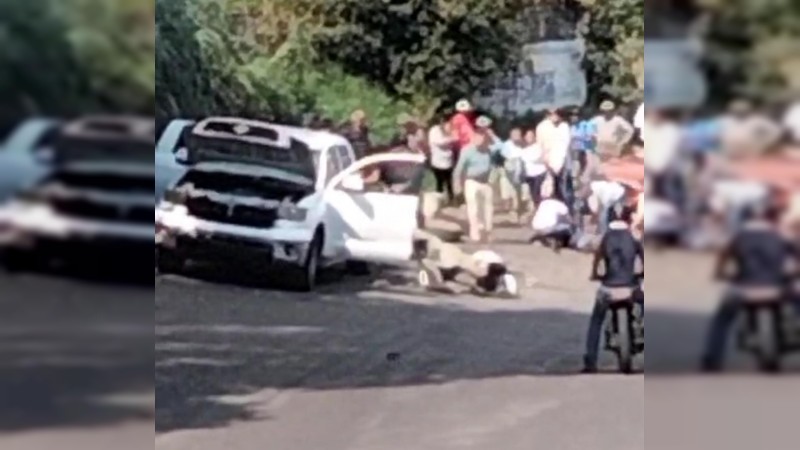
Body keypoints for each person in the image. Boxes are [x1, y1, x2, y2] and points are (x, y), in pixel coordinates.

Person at [701, 202, 798, 372]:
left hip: (742, 289)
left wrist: (719, 273)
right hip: (777, 287)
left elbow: (722, 256)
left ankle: (712, 358)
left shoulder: (738, 236)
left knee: (721, 320)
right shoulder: (782, 237)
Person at [583, 204, 644, 373]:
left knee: (596, 320)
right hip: (630, 287)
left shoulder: (604, 238)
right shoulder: (634, 237)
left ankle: (590, 361)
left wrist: (595, 275)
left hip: (608, 288)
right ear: (628, 218)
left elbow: (597, 262)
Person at [454, 131, 502, 242]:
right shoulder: (467, 151)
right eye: (477, 137)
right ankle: (475, 233)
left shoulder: (489, 150)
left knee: (487, 209)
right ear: (474, 138)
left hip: (486, 182)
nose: (480, 140)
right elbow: (459, 168)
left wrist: (491, 134)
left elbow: (500, 146)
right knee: (473, 208)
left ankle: (487, 231)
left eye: (482, 138)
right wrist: (457, 183)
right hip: (471, 181)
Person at [537, 109, 573, 203]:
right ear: (547, 115)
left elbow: (566, 145)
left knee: (565, 191)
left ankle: (566, 211)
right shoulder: (542, 127)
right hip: (548, 163)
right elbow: (541, 145)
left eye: (557, 113)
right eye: (551, 113)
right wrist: (545, 161)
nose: (554, 115)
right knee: (548, 189)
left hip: (563, 162)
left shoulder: (564, 126)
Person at [528, 182, 573, 252]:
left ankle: (543, 240)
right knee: (568, 228)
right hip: (550, 229)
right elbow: (569, 219)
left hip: (538, 228)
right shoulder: (560, 204)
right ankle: (555, 240)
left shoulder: (543, 203)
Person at [428, 115, 459, 202]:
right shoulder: (434, 131)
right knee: (440, 182)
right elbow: (439, 142)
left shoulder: (449, 130)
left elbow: (455, 140)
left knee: (449, 182)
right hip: (437, 162)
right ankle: (439, 201)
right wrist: (452, 139)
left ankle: (451, 199)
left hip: (448, 161)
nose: (449, 125)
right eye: (447, 123)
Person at [499, 127, 527, 223]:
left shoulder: (523, 144)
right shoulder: (506, 145)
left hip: (521, 173)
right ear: (510, 136)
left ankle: (520, 213)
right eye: (514, 135)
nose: (516, 137)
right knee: (510, 194)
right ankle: (513, 213)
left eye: (518, 135)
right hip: (509, 172)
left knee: (521, 195)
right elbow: (508, 160)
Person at [521, 129, 547, 213]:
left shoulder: (539, 147)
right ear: (525, 137)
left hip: (539, 174)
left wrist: (539, 159)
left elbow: (540, 159)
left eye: (531, 136)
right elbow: (526, 161)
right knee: (533, 195)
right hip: (530, 175)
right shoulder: (524, 150)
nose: (529, 138)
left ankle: (540, 212)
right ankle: (536, 212)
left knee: (538, 194)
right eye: (527, 136)